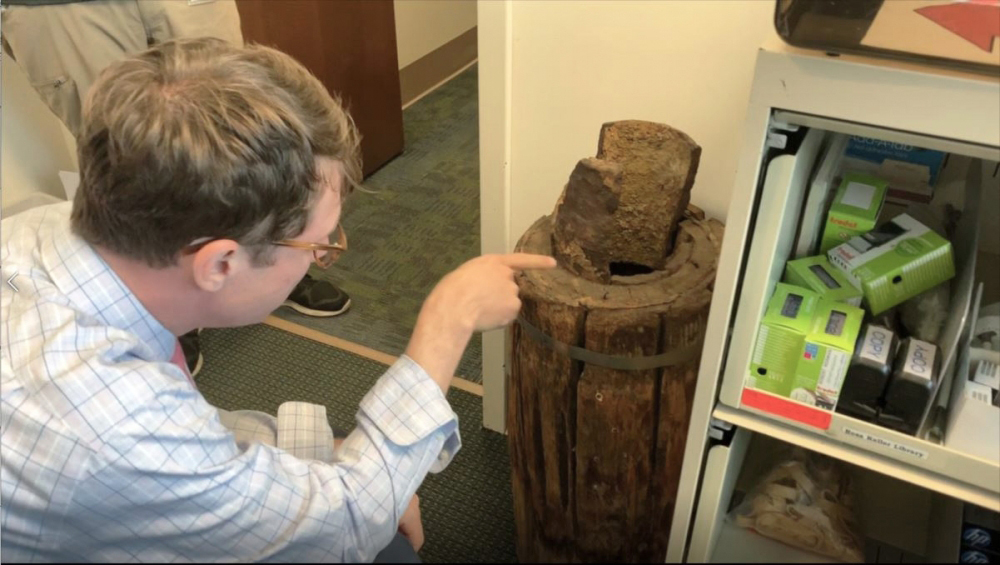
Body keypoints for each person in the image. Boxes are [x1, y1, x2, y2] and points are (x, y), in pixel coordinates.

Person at [0, 37, 556, 561]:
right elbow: (349, 527)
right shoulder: (107, 424)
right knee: (387, 550)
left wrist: (325, 454)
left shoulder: (40, 226)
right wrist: (448, 319)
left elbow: (187, 437)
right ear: (219, 263)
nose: (325, 255)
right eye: (318, 244)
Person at [1, 0, 351, 379]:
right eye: (319, 244)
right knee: (128, 154)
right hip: (69, 7)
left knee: (247, 139)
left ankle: (275, 252)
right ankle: (172, 312)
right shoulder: (132, 414)